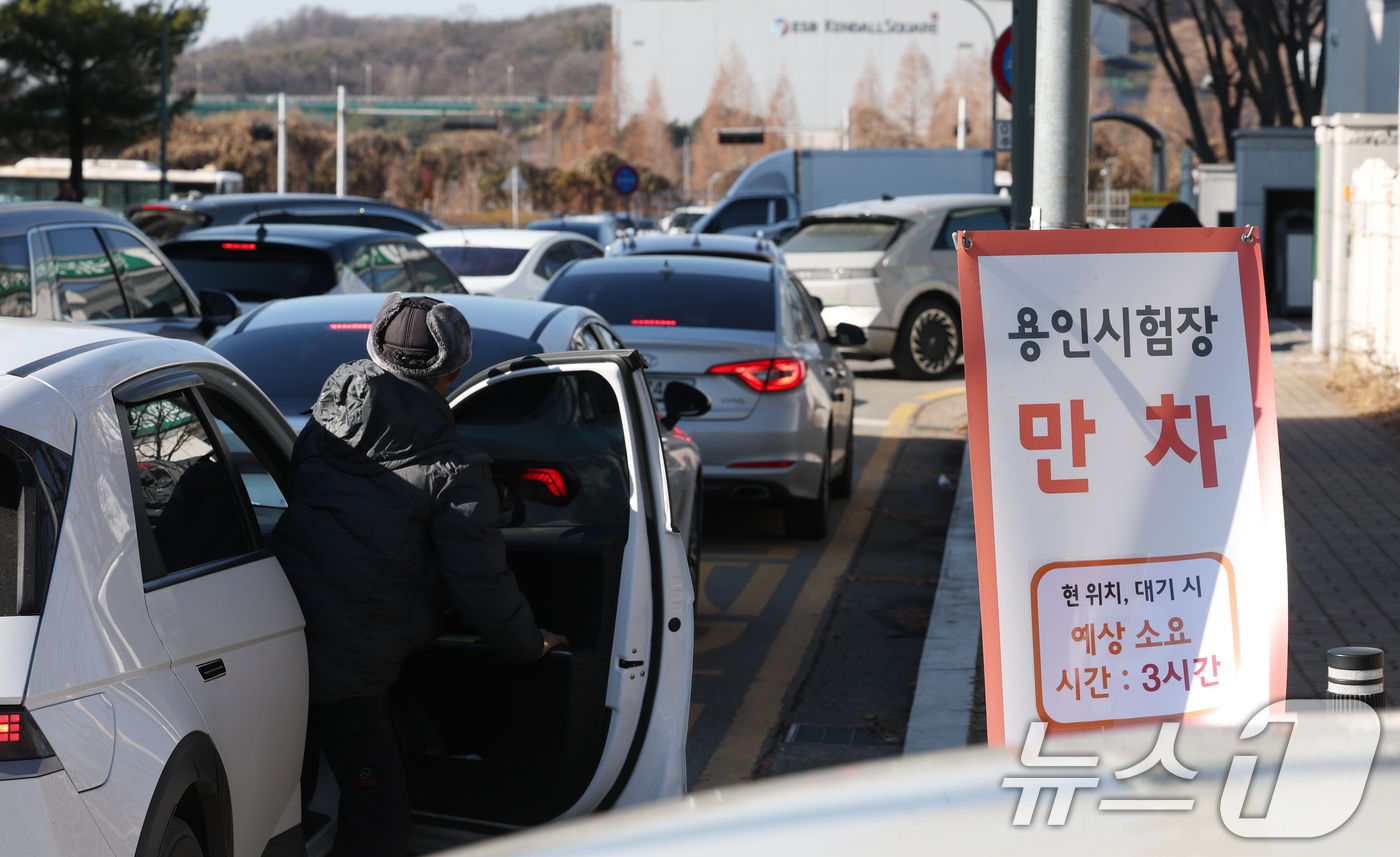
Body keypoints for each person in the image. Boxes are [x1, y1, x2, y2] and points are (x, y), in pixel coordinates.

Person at [271, 292, 566, 857]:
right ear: (453, 372)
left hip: (274, 634)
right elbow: (481, 589)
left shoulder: (325, 421)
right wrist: (531, 645)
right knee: (379, 814)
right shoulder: (454, 469)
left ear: (375, 353)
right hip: (347, 672)